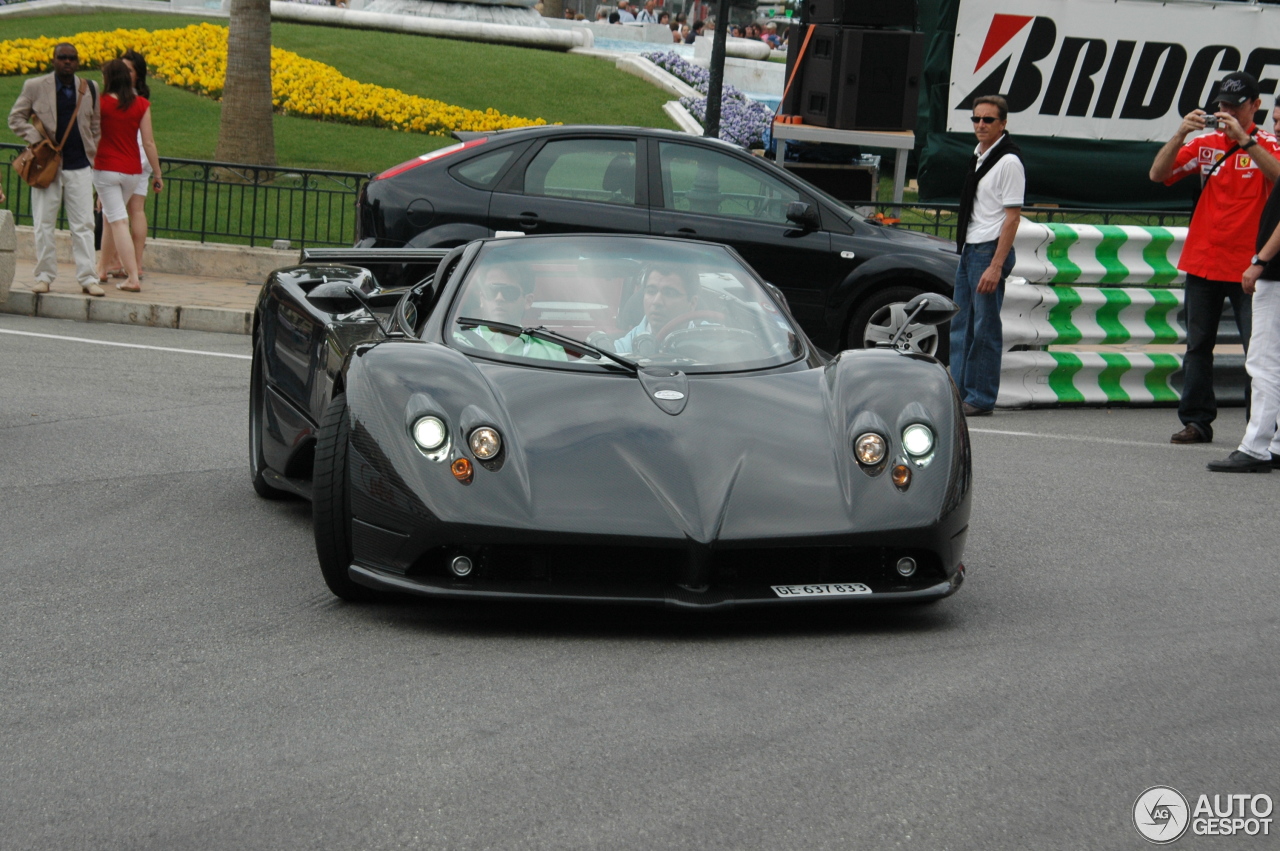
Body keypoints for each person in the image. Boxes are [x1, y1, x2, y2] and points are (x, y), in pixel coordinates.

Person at [1149, 71, 1280, 444]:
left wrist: (1246, 141)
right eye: (1222, 105)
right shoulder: (1206, 142)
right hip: (1203, 260)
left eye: (1235, 107)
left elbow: (1279, 177)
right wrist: (1179, 135)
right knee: (1197, 346)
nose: (1226, 112)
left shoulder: (1269, 142)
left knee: (1257, 352)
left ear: (1255, 106)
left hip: (1251, 265)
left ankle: (1261, 429)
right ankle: (1196, 420)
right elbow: (1158, 174)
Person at [951, 94, 1025, 417]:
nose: (980, 125)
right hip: (970, 246)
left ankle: (980, 396)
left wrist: (996, 265)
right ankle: (959, 390)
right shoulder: (980, 154)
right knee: (961, 322)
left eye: (988, 120)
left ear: (1003, 124)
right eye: (976, 119)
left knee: (984, 327)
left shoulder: (1009, 161)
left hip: (988, 250)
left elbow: (1012, 217)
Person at [8, 43, 102, 296]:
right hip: (45, 167)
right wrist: (37, 139)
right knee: (43, 224)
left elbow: (95, 125)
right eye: (63, 58)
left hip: (79, 166)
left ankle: (88, 278)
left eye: (72, 58)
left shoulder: (90, 88)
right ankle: (44, 276)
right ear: (53, 60)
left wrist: (92, 153)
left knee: (84, 225)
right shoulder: (35, 86)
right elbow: (15, 118)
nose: (67, 62)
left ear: (78, 61)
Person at [1207, 183, 1280, 472]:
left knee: (1263, 363)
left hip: (1276, 277)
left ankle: (1255, 447)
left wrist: (1260, 260)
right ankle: (1274, 445)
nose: (1276, 133)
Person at [92, 58, 162, 293]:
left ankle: (132, 276)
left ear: (108, 78)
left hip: (106, 168)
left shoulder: (100, 103)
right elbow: (149, 142)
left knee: (118, 220)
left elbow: (90, 134)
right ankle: (102, 267)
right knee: (112, 218)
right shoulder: (141, 104)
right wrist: (158, 173)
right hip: (132, 171)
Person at [458, 264, 567, 361]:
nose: (499, 298)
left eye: (509, 292)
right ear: (481, 299)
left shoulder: (551, 349)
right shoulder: (459, 342)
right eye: (491, 291)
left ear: (528, 301)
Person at [613, 265, 701, 355]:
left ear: (692, 303)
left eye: (669, 293)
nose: (656, 301)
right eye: (651, 291)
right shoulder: (620, 352)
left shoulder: (712, 337)